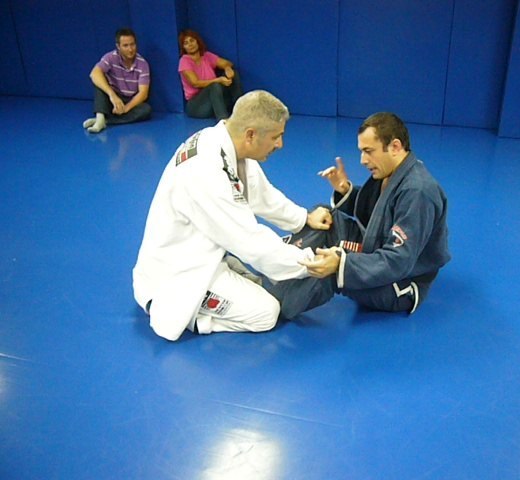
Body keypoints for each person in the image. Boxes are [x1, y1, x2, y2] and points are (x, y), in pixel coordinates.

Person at [132, 90, 332, 341]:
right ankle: (192, 313)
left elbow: (261, 194)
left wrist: (303, 218)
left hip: (199, 252)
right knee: (266, 312)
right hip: (177, 274)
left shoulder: (222, 142)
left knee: (260, 279)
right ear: (251, 135)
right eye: (275, 137)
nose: (280, 144)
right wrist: (310, 264)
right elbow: (250, 242)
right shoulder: (206, 172)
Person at [267, 112, 450, 318]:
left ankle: (271, 305)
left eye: (368, 151)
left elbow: (399, 261)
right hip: (375, 249)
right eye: (362, 152)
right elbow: (380, 214)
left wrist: (342, 264)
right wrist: (346, 191)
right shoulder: (392, 172)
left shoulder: (418, 192)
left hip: (398, 284)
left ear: (395, 147)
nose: (363, 160)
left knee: (332, 272)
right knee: (324, 217)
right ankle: (275, 266)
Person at [83, 28, 151, 133]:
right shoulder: (110, 57)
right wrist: (112, 95)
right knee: (99, 83)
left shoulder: (143, 64)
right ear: (118, 47)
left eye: (132, 44)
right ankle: (100, 117)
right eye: (125, 46)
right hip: (112, 98)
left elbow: (143, 93)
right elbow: (94, 73)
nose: (130, 49)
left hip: (129, 100)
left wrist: (126, 108)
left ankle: (105, 121)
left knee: (146, 110)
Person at [178, 29, 243, 120]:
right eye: (186, 43)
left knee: (234, 74)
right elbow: (195, 83)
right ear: (183, 47)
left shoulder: (207, 56)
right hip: (196, 106)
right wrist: (218, 80)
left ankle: (240, 111)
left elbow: (227, 63)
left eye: (192, 41)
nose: (190, 44)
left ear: (197, 41)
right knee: (214, 86)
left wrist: (227, 68)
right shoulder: (184, 61)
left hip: (214, 100)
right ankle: (223, 121)